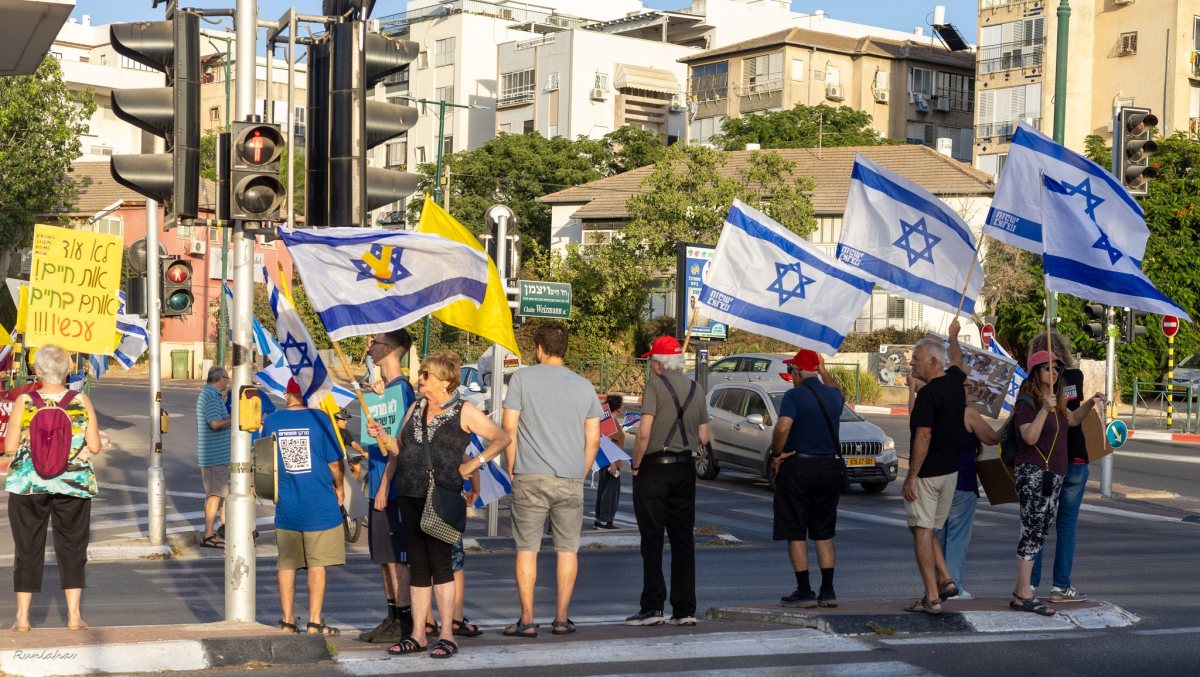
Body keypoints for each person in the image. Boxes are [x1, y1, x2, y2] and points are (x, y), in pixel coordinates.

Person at [377, 350, 509, 658]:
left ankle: (448, 634)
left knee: (442, 565)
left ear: (445, 381)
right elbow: (399, 447)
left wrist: (472, 465)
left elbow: (501, 438)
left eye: (427, 375)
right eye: (421, 374)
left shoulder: (464, 410)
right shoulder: (415, 407)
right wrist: (382, 436)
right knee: (418, 567)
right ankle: (418, 634)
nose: (420, 379)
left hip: (442, 496)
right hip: (409, 493)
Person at [501, 321, 602, 638]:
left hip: (530, 475)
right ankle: (561, 618)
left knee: (527, 550)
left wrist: (512, 466)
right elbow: (594, 440)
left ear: (539, 348)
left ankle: (527, 620)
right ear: (564, 349)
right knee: (568, 550)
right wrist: (580, 471)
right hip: (570, 477)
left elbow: (509, 429)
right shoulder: (584, 386)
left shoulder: (522, 378)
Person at [4, 344, 103, 631]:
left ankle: (22, 618)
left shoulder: (25, 402)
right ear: (68, 371)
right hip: (73, 485)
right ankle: (73, 616)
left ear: (36, 370)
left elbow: (9, 447)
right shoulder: (81, 401)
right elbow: (94, 446)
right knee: (72, 548)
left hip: (28, 485)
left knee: (28, 548)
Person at [1010, 350, 1103, 617]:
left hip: (1054, 475)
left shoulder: (1058, 399)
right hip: (1033, 473)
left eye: (1056, 368)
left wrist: (1090, 403)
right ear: (1035, 372)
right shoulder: (1027, 401)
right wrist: (1043, 410)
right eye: (1047, 368)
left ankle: (1022, 592)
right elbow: (1028, 436)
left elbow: (1072, 420)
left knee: (1039, 533)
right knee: (1031, 532)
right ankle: (1023, 591)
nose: (1053, 372)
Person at [625, 337, 708, 627]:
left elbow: (644, 433)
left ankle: (652, 607)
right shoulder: (697, 388)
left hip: (654, 468)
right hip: (684, 468)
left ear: (658, 363)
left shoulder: (655, 385)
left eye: (651, 361)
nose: (650, 366)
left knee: (652, 539)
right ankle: (684, 609)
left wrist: (635, 465)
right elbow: (705, 437)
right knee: (683, 540)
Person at [262, 378, 346, 635]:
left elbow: (263, 459)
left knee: (287, 564)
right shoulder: (320, 418)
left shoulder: (272, 421)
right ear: (308, 394)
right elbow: (334, 463)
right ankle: (314, 621)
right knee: (317, 565)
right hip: (319, 503)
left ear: (287, 394)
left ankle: (287, 620)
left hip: (287, 505)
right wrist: (340, 487)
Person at [770, 349, 844, 609]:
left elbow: (782, 427)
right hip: (830, 469)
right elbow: (837, 390)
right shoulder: (834, 395)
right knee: (823, 532)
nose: (791, 376)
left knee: (796, 531)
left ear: (798, 372)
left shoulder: (794, 395)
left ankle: (804, 591)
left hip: (800, 468)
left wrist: (777, 453)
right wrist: (823, 369)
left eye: (793, 371)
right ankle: (828, 590)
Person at [903, 317, 965, 616]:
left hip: (928, 474)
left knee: (921, 531)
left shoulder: (929, 394)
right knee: (928, 529)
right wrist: (953, 335)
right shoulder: (955, 383)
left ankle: (932, 598)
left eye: (916, 359)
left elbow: (922, 436)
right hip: (950, 472)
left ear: (931, 361)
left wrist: (910, 477)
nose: (912, 363)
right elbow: (958, 359)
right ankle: (946, 580)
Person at [358, 329, 417, 644]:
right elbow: (379, 440)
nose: (370, 347)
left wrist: (383, 487)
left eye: (376, 342)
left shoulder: (403, 391)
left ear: (391, 349)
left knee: (397, 558)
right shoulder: (383, 391)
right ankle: (392, 614)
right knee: (383, 557)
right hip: (378, 486)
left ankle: (405, 621)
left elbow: (400, 446)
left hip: (392, 489)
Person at [1028, 331, 1091, 604]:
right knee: (1066, 526)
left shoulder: (1030, 385)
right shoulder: (1073, 378)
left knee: (1038, 524)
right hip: (1075, 458)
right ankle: (1060, 587)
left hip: (1044, 459)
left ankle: (1028, 584)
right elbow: (1074, 411)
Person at [928, 384, 1001, 601]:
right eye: (968, 386)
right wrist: (1013, 419)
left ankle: (936, 586)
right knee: (958, 539)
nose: (972, 390)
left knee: (937, 538)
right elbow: (992, 438)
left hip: (937, 482)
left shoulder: (934, 411)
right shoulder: (967, 413)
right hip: (962, 482)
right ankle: (954, 587)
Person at [196, 366, 231, 549]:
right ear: (219, 379)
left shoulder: (212, 395)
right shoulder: (210, 396)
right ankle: (208, 534)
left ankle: (210, 533)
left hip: (214, 454)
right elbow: (215, 423)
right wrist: (233, 419)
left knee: (215, 495)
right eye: (226, 378)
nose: (228, 381)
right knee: (215, 496)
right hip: (214, 456)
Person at [593, 394, 626, 530]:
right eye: (622, 405)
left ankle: (599, 519)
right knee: (610, 493)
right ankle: (605, 521)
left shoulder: (607, 420)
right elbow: (608, 443)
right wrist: (612, 464)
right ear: (617, 408)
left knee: (604, 490)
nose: (623, 407)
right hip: (610, 462)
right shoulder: (611, 423)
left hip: (606, 461)